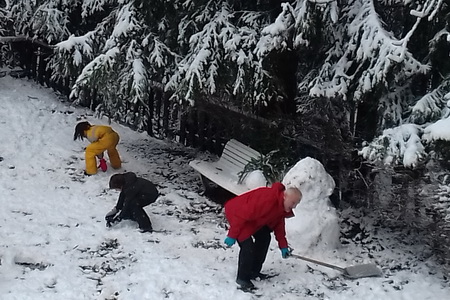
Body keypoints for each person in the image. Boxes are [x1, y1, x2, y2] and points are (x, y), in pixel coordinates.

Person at [223, 182, 302, 291]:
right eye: (293, 202)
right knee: (247, 246)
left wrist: (283, 246)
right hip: (236, 213)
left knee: (264, 237)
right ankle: (242, 278)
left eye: (296, 204)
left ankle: (254, 271)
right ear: (284, 196)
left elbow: (279, 227)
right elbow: (242, 215)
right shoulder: (267, 199)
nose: (294, 206)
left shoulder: (280, 207)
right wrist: (232, 235)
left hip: (254, 218)